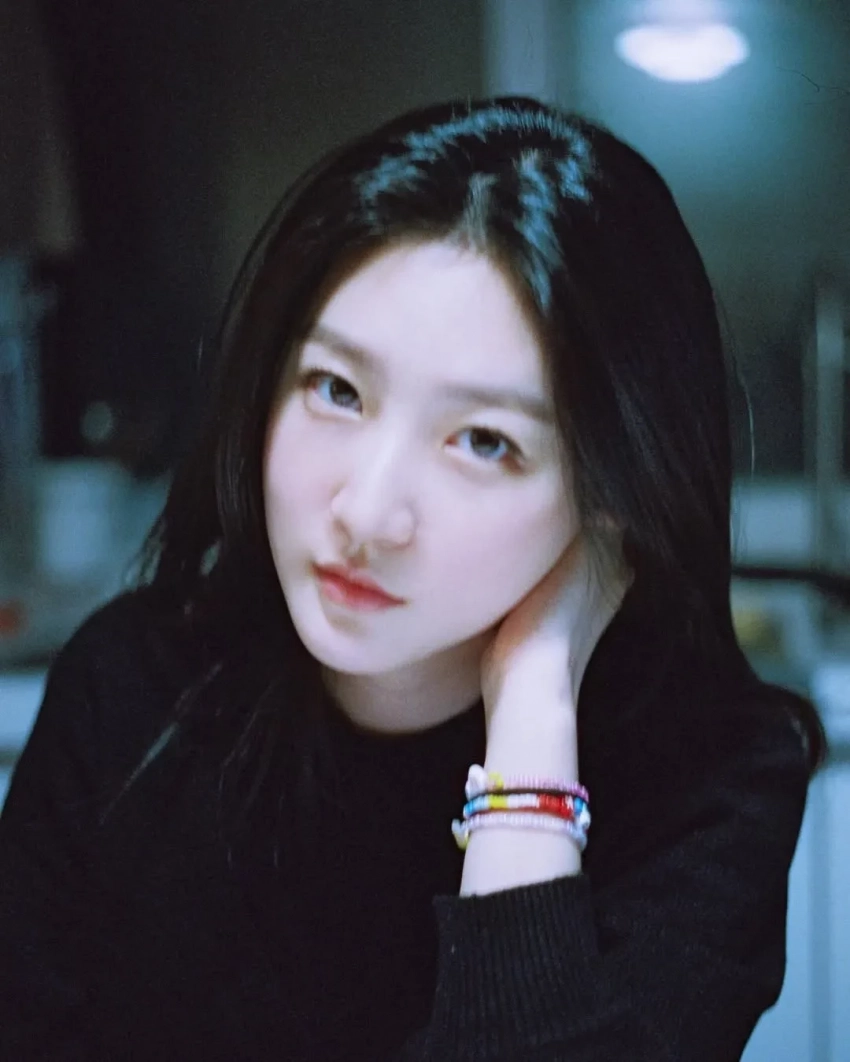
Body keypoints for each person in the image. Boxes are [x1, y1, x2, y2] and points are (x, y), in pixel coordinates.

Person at [0, 96, 828, 1061]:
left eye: (484, 442)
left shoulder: (711, 784)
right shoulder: (132, 694)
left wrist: (534, 707)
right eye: (336, 390)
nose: (367, 513)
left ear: (609, 493)